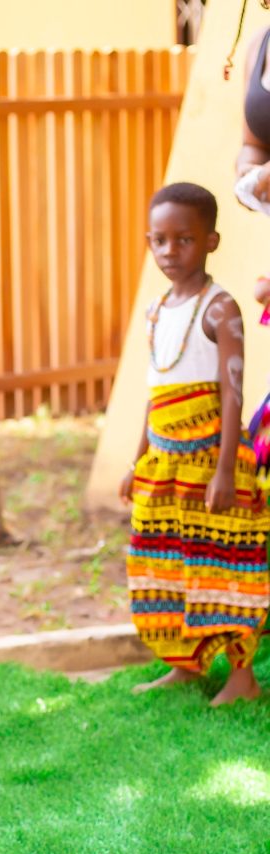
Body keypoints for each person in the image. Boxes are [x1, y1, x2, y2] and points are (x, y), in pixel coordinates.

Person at [120, 182, 270, 707]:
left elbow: (232, 393)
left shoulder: (220, 308)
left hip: (210, 461)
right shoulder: (156, 310)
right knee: (167, 564)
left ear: (211, 242)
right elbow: (155, 392)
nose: (170, 251)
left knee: (224, 565)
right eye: (159, 240)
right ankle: (185, 664)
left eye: (183, 239)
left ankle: (242, 677)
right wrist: (137, 460)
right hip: (164, 462)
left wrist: (226, 470)